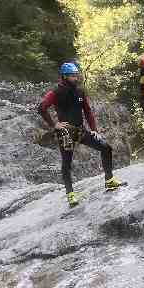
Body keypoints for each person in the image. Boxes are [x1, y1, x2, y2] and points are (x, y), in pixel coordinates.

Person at [37, 62, 125, 207]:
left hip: (80, 131)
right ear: (64, 76)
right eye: (72, 76)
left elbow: (88, 111)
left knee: (106, 148)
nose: (76, 78)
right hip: (65, 132)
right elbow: (42, 108)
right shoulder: (55, 92)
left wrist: (94, 129)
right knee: (67, 163)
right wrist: (54, 125)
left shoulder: (79, 91)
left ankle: (109, 181)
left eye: (76, 75)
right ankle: (70, 195)